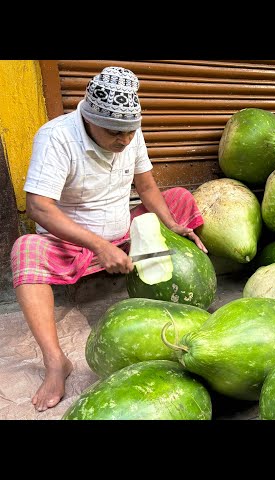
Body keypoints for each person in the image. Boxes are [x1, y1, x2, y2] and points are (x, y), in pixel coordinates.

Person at [10, 66, 208, 412]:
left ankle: (169, 294)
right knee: (26, 250)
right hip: (75, 245)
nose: (125, 140)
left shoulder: (129, 131)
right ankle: (56, 361)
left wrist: (171, 226)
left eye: (130, 131)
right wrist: (98, 245)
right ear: (88, 117)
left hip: (125, 235)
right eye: (115, 132)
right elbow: (39, 208)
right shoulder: (56, 137)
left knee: (179, 200)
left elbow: (146, 186)